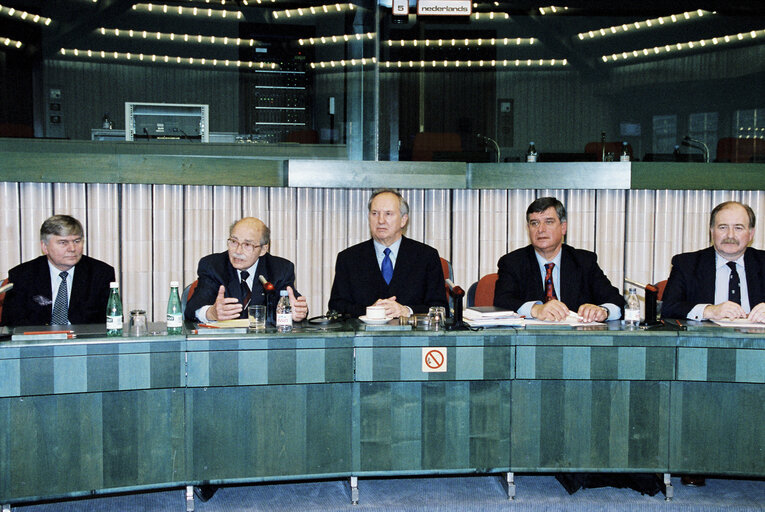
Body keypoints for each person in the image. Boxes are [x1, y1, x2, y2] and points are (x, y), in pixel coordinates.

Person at [494, 196, 624, 322]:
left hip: (576, 340)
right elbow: (501, 302)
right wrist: (535, 309)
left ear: (563, 227)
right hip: (528, 341)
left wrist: (603, 311)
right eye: (534, 223)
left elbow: (617, 302)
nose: (541, 229)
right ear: (529, 228)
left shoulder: (584, 262)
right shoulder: (512, 262)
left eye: (549, 222)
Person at [329, 188, 448, 318]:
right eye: (374, 213)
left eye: (388, 214)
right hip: (364, 336)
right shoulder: (348, 258)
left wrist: (406, 311)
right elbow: (336, 307)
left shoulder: (426, 256)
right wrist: (369, 311)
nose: (380, 220)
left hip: (412, 336)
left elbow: (440, 307)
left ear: (403, 220)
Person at [185, 217, 308, 324]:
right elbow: (192, 309)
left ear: (264, 249)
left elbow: (292, 303)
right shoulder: (213, 266)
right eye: (234, 242)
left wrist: (297, 312)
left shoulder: (280, 269)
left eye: (247, 245)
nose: (238, 251)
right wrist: (211, 313)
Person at [1, 215, 115, 327]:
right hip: (38, 342)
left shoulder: (101, 274)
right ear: (44, 247)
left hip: (83, 343)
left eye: (77, 241)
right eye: (63, 242)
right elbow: (10, 326)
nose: (72, 248)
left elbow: (112, 322)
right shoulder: (22, 275)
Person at [662, 200, 765, 323]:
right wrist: (709, 311)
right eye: (723, 227)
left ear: (751, 234)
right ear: (711, 231)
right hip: (703, 340)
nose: (730, 235)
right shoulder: (686, 264)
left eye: (738, 228)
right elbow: (667, 308)